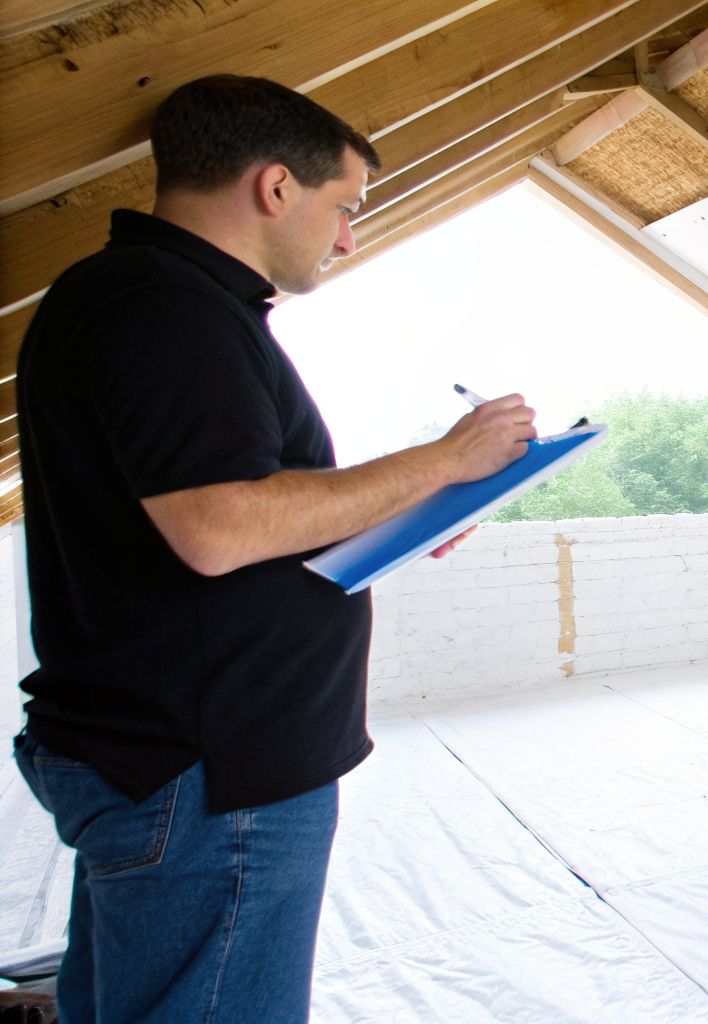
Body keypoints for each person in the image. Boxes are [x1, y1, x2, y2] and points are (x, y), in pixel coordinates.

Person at [9, 74, 537, 1023]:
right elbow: (217, 528)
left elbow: (229, 516)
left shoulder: (155, 300)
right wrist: (443, 459)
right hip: (213, 780)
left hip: (182, 762)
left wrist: (398, 516)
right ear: (276, 186)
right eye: (345, 207)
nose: (348, 237)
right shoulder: (164, 308)